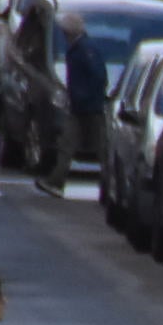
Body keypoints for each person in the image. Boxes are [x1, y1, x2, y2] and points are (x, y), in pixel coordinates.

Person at [37, 14, 106, 194]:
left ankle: (107, 185)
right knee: (67, 144)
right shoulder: (78, 48)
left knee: (98, 148)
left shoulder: (84, 49)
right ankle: (55, 182)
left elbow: (98, 77)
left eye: (65, 32)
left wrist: (84, 97)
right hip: (80, 107)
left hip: (88, 109)